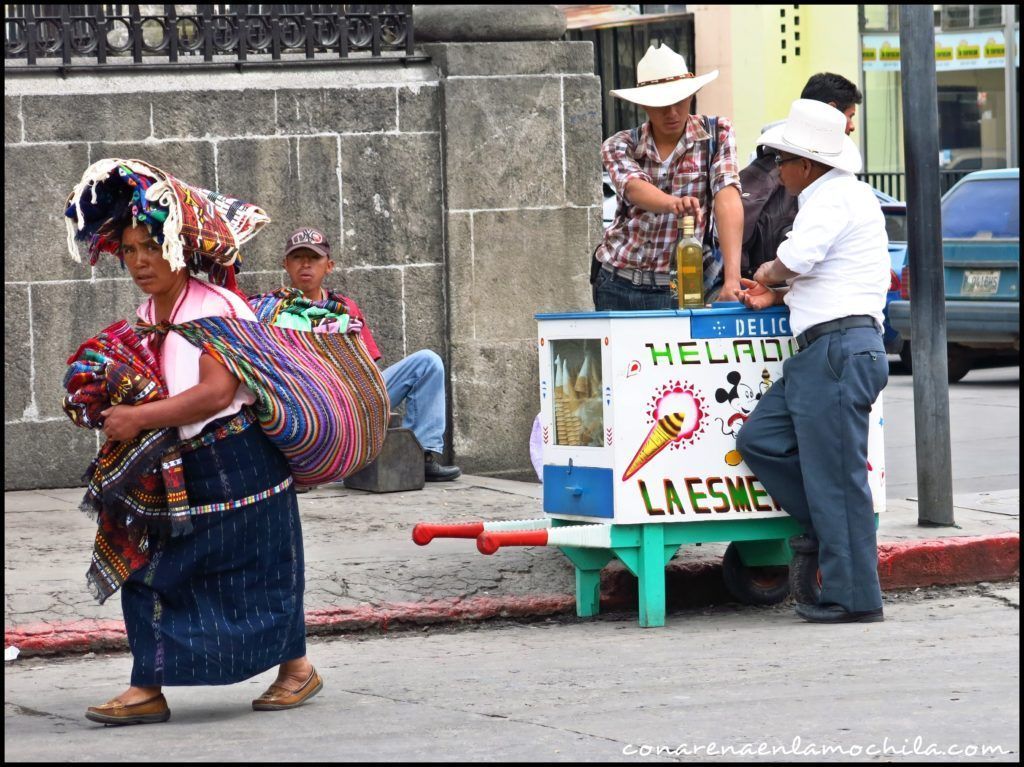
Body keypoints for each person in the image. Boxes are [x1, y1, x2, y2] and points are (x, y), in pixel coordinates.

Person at [66, 161, 321, 725]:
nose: (138, 262)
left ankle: (297, 669)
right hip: (180, 470)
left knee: (263, 572)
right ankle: (147, 686)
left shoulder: (216, 308)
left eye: (149, 248)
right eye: (129, 251)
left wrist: (136, 418)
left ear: (177, 248)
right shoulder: (146, 314)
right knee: (150, 569)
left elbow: (214, 393)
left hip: (240, 462)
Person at [734, 100, 890, 624]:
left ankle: (853, 598)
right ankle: (832, 527)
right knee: (761, 440)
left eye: (782, 160)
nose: (777, 169)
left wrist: (767, 273)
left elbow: (798, 261)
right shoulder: (839, 195)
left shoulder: (830, 198)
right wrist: (778, 295)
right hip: (829, 349)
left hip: (837, 351)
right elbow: (827, 275)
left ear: (807, 163)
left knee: (838, 480)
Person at [277, 226, 461, 482]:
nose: (305, 264)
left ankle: (421, 456)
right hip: (304, 405)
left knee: (428, 362)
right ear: (286, 264)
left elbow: (369, 365)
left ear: (328, 265)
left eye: (314, 257)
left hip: (354, 396)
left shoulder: (344, 307)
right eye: (297, 257)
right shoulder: (271, 308)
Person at [593, 43, 744, 310]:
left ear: (692, 95)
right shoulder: (619, 144)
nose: (672, 112)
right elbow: (633, 188)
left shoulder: (718, 133)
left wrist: (733, 279)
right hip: (618, 281)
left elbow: (728, 197)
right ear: (643, 105)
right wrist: (672, 204)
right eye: (661, 104)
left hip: (683, 285)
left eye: (679, 100)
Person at [740, 73, 863, 280]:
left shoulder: (764, 164)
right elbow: (799, 257)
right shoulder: (836, 187)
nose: (851, 126)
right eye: (850, 116)